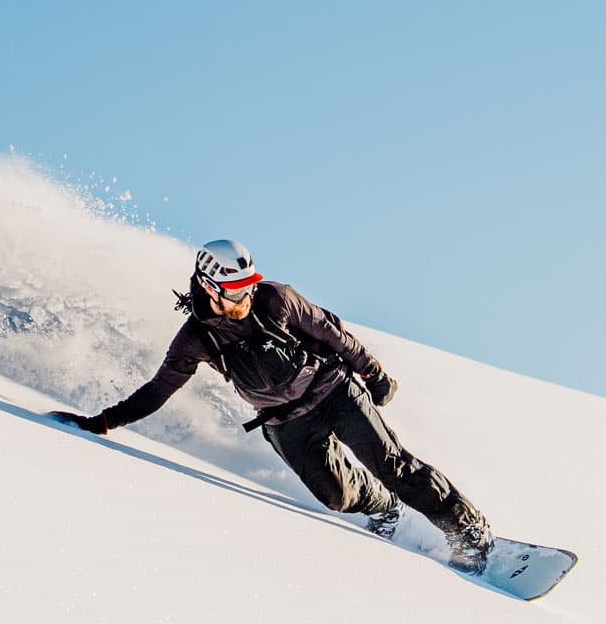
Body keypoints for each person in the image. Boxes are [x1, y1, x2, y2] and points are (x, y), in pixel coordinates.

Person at [49, 239, 494, 572]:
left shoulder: (277, 299)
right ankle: (384, 510)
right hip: (285, 421)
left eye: (248, 286)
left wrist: (373, 373)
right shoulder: (197, 339)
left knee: (390, 464)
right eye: (234, 289)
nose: (244, 297)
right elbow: (158, 390)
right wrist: (104, 421)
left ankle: (469, 533)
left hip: (333, 391)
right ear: (209, 288)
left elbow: (334, 334)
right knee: (336, 496)